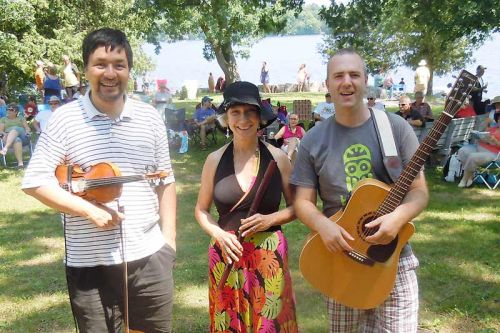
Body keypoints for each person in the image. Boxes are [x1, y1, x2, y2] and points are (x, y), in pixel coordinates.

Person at [21, 28, 177, 332]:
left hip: (149, 257)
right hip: (88, 265)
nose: (110, 73)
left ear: (129, 70)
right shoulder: (65, 119)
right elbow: (35, 181)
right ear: (85, 69)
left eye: (119, 65)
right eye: (100, 64)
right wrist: (90, 210)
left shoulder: (150, 118)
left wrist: (168, 243)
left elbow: (165, 182)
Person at [291, 48, 429, 332]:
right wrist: (322, 226)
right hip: (341, 260)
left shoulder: (395, 128)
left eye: (354, 74)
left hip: (394, 261)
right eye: (338, 76)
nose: (346, 82)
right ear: (328, 84)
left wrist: (398, 217)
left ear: (366, 80)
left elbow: (419, 191)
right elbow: (303, 202)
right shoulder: (313, 140)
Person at [194, 81, 298, 333]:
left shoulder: (278, 158)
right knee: (229, 323)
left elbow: (298, 208)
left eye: (249, 112)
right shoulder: (214, 160)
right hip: (226, 253)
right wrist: (218, 234)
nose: (243, 119)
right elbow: (201, 210)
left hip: (268, 254)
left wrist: (270, 220)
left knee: (268, 325)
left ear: (259, 116)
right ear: (226, 118)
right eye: (235, 112)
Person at [0, 103, 32, 167]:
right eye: (7, 109)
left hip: (23, 137)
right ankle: (20, 163)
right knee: (17, 139)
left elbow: (27, 128)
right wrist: (5, 134)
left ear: (16, 112)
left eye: (11, 110)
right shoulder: (3, 119)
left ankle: (5, 148)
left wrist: (28, 132)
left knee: (16, 129)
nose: (8, 111)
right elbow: (1, 131)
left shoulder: (21, 118)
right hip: (8, 138)